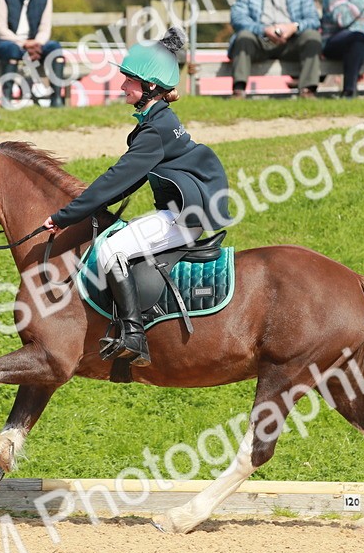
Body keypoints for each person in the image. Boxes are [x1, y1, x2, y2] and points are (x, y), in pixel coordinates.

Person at [41, 28, 232, 368]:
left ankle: (134, 335)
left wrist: (64, 217)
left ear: (151, 87)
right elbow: (127, 182)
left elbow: (118, 177)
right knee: (116, 239)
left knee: (112, 249)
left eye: (129, 81)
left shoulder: (155, 129)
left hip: (182, 218)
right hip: (180, 212)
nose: (122, 86)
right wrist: (92, 209)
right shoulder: (158, 121)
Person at [227, 0, 323, 99]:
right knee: (243, 37)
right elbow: (238, 18)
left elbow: (313, 19)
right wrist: (263, 29)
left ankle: (307, 91)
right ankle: (238, 91)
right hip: (260, 41)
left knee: (312, 36)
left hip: (292, 42)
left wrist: (293, 27)